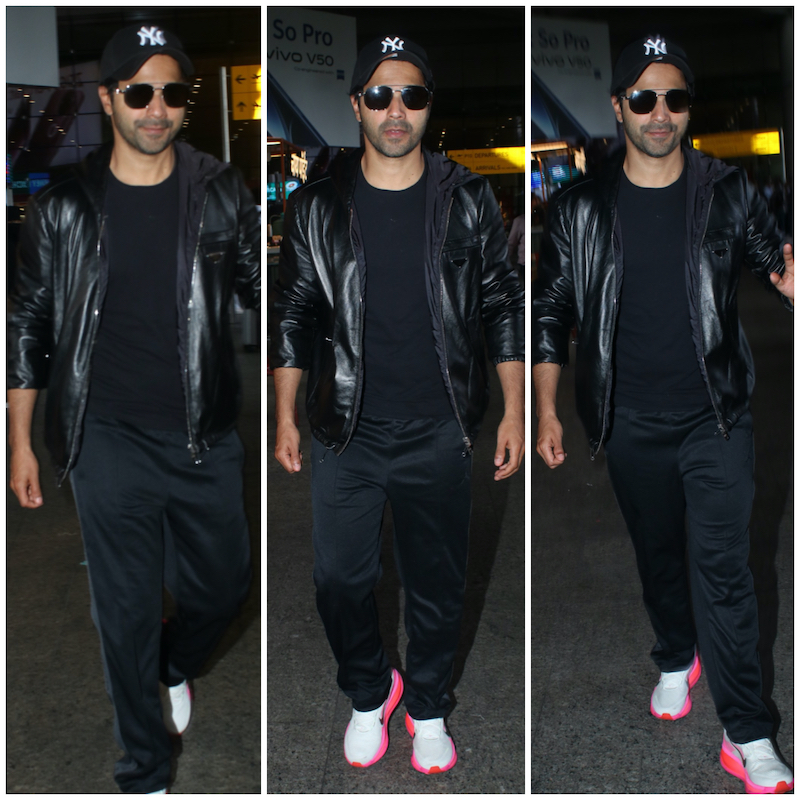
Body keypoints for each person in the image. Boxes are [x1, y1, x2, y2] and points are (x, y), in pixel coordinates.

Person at [533, 35, 793, 794]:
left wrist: (788, 276)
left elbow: (778, 263)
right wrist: (545, 409)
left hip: (716, 417)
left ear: (687, 109)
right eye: (643, 97)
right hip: (629, 422)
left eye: (674, 97)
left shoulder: (727, 191)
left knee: (726, 571)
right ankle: (676, 654)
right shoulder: (580, 210)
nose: (659, 112)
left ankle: (747, 732)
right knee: (658, 556)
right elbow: (550, 314)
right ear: (619, 107)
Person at [7, 23, 260, 794]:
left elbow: (262, 293)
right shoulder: (64, 208)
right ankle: (143, 769)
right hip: (105, 434)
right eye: (140, 91)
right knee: (122, 610)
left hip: (202, 432)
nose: (157, 108)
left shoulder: (220, 191)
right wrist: (20, 441)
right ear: (109, 97)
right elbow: (27, 326)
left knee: (223, 590)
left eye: (172, 93)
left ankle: (172, 663)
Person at [270, 34, 524, 775]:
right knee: (338, 582)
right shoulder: (316, 206)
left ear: (427, 107)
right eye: (379, 94)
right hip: (345, 428)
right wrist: (284, 414)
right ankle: (370, 689)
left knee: (437, 586)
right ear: (356, 105)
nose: (395, 109)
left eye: (411, 95)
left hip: (439, 427)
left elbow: (502, 306)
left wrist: (513, 409)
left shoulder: (468, 199)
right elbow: (293, 314)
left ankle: (430, 707)